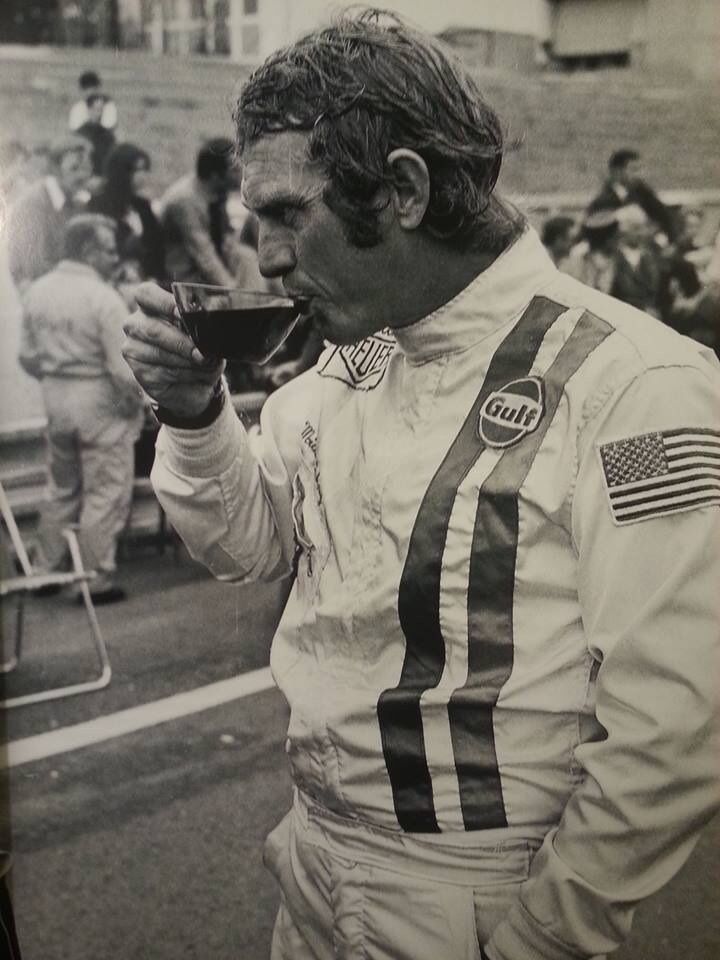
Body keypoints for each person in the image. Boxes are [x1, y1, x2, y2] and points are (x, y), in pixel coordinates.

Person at [122, 11, 720, 960]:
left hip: (477, 893)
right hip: (310, 863)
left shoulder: (639, 384)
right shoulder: (347, 361)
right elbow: (246, 545)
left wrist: (542, 940)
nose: (269, 257)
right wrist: (197, 413)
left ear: (401, 189)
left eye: (287, 214)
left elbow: (674, 729)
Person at [19, 214, 144, 604]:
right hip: (99, 400)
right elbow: (123, 369)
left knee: (62, 487)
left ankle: (44, 571)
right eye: (108, 250)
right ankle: (93, 579)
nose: (113, 257)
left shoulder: (37, 291)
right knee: (106, 489)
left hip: (56, 398)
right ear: (89, 251)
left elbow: (26, 357)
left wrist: (58, 373)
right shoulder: (103, 298)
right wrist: (141, 401)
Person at [5, 134, 92, 291]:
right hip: (32, 289)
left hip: (65, 284)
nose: (82, 176)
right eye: (74, 168)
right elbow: (33, 267)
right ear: (55, 169)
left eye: (86, 169)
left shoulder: (77, 201)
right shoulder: (33, 204)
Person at [159, 137, 241, 287]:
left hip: (206, 272)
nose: (241, 174)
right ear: (216, 176)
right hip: (183, 278)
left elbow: (226, 236)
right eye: (234, 170)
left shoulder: (217, 192)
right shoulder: (184, 201)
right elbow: (204, 255)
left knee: (246, 257)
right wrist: (233, 290)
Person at [88, 142, 166, 282]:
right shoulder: (99, 204)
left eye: (144, 169)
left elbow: (157, 249)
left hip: (147, 280)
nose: (143, 176)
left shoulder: (143, 206)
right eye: (137, 170)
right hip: (114, 278)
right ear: (122, 173)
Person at [587, 148, 678, 242]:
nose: (639, 175)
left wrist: (671, 241)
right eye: (634, 170)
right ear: (617, 172)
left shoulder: (642, 191)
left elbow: (664, 216)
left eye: (639, 170)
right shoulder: (603, 198)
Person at [75, 92, 116, 177]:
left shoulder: (108, 136)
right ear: (89, 110)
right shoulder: (79, 134)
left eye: (101, 110)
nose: (100, 114)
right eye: (97, 110)